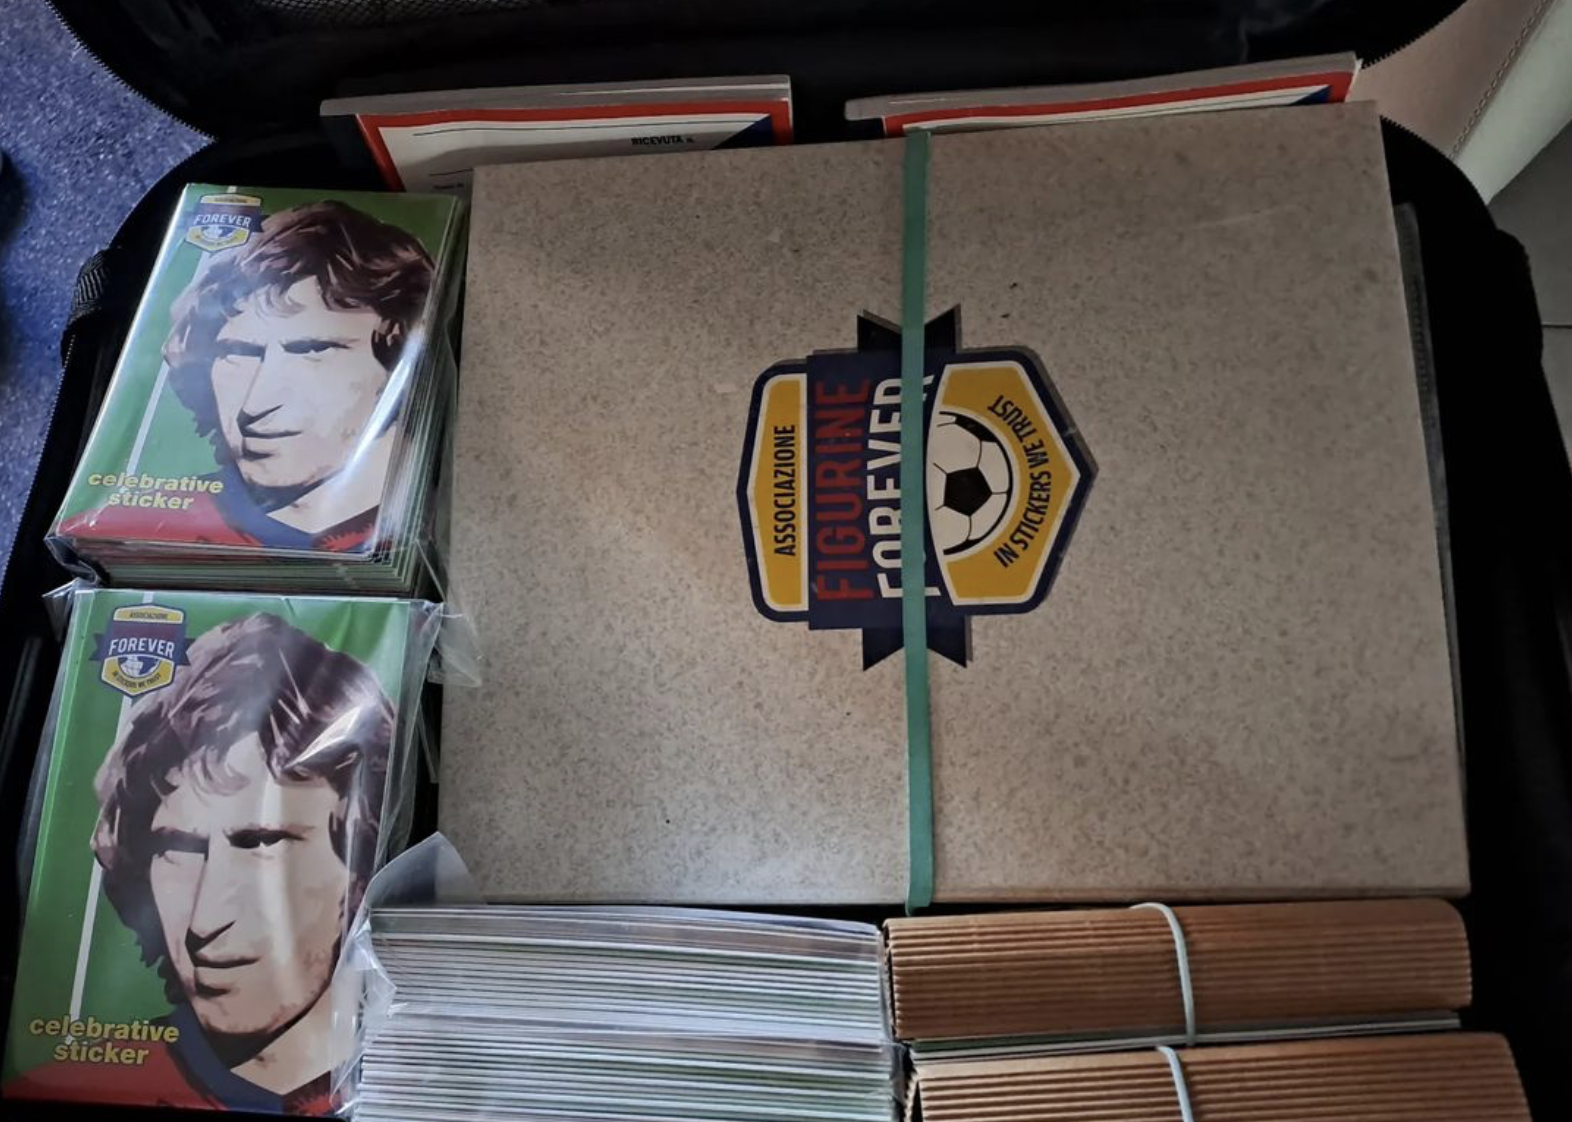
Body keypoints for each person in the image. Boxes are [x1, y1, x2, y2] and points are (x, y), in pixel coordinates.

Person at [8, 613, 396, 1113]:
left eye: (260, 842)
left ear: (360, 866)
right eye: (178, 848)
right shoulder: (64, 1084)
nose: (205, 920)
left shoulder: (433, 1076)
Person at [64, 199, 435, 552]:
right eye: (238, 353)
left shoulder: (440, 518)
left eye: (312, 350)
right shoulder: (123, 529)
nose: (257, 402)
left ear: (398, 356)